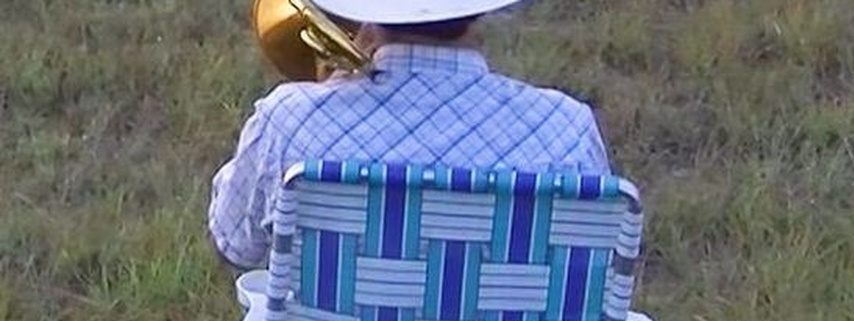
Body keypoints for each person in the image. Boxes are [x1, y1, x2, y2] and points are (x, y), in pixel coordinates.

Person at [208, 0, 612, 271]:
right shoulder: (566, 130)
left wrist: (328, 95)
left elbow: (235, 242)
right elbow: (598, 271)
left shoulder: (288, 119)